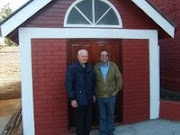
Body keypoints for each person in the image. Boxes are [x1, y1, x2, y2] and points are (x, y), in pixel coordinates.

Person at [65, 49, 96, 135]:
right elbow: (68, 84)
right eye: (83, 56)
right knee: (80, 122)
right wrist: (72, 98)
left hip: (89, 99)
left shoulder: (90, 67)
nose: (85, 58)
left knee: (88, 121)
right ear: (78, 57)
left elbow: (93, 82)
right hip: (78, 100)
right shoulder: (72, 68)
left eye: (86, 56)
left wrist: (93, 94)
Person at [94, 50, 123, 135]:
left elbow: (119, 78)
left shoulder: (113, 66)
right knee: (102, 116)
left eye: (106, 55)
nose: (104, 57)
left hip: (111, 96)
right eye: (102, 55)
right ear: (100, 57)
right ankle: (103, 131)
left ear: (108, 57)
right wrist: (95, 92)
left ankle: (110, 130)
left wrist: (116, 90)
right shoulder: (96, 67)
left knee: (110, 115)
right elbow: (93, 81)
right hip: (100, 96)